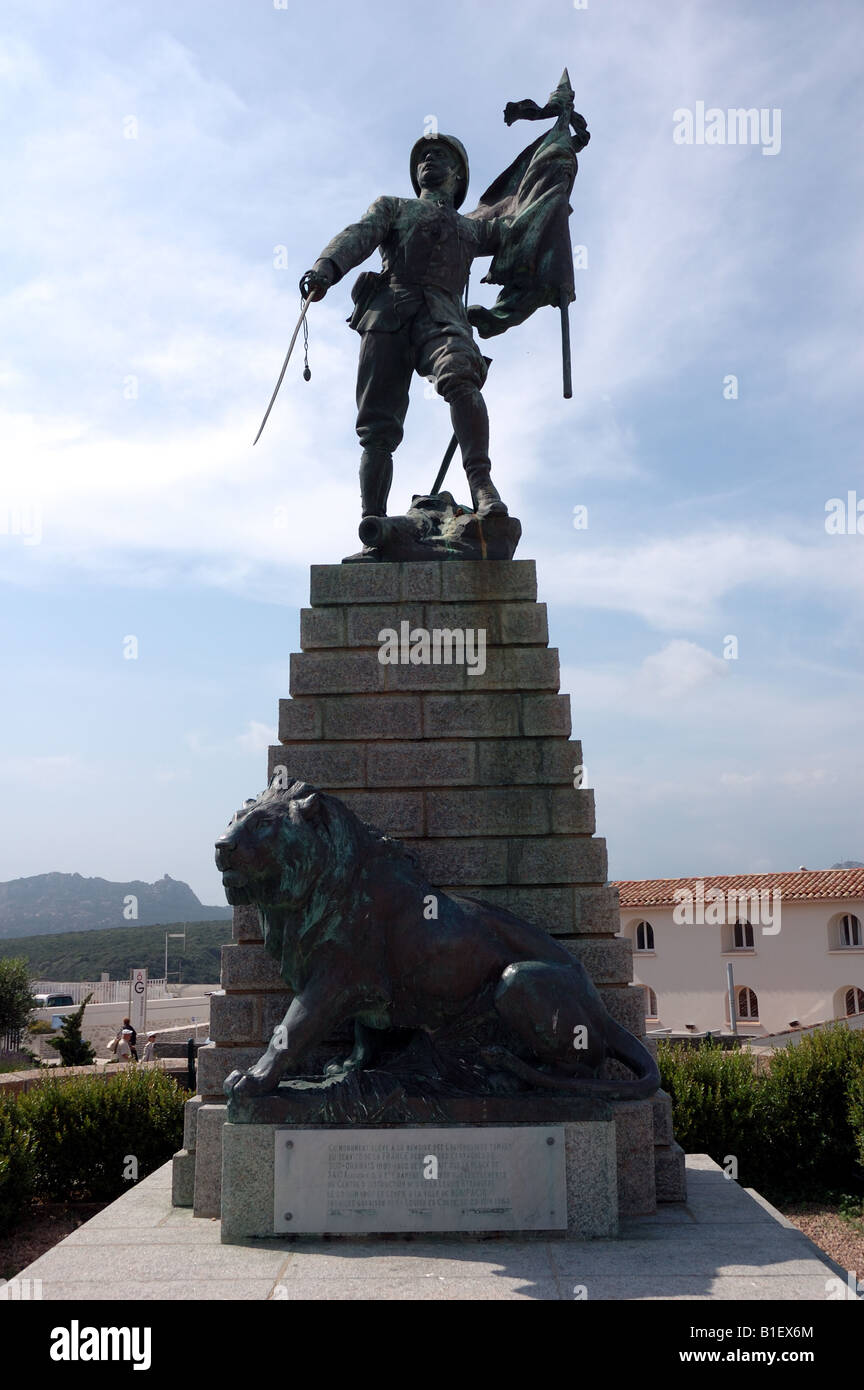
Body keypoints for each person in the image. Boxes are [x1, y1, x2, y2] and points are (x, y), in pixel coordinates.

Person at [301, 134, 509, 525]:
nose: (429, 159)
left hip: (442, 316)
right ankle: (373, 520)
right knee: (377, 424)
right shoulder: (393, 207)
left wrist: (554, 183)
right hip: (388, 314)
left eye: (440, 155)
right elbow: (358, 235)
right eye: (423, 157)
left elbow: (521, 230)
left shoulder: (475, 230)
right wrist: (326, 268)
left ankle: (482, 486)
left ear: (459, 174)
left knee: (462, 373)